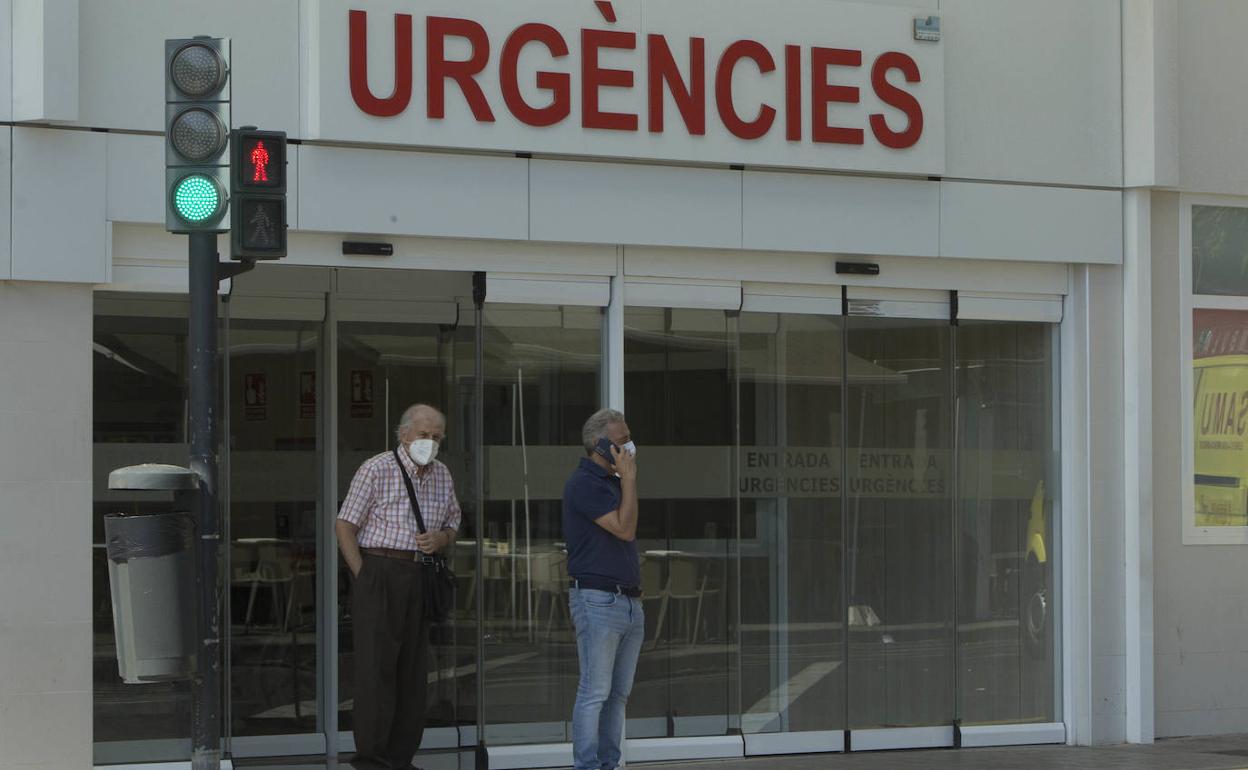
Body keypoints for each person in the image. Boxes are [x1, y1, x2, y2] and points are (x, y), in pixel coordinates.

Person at [336, 404, 461, 770]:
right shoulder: (377, 468)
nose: (430, 443)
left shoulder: (442, 474)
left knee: (412, 672)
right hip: (379, 567)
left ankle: (401, 758)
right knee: (376, 672)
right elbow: (345, 525)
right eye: (424, 435)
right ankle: (372, 760)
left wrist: (442, 537)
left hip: (418, 573)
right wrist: (363, 574)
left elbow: (454, 521)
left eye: (437, 437)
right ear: (403, 434)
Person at [562, 408, 642, 770]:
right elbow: (625, 529)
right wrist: (628, 480)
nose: (628, 446)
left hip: (627, 600)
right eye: (622, 440)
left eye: (628, 438)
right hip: (597, 599)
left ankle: (609, 764)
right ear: (600, 444)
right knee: (595, 692)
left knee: (618, 695)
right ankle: (588, 766)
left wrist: (624, 480)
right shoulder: (584, 483)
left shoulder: (612, 481)